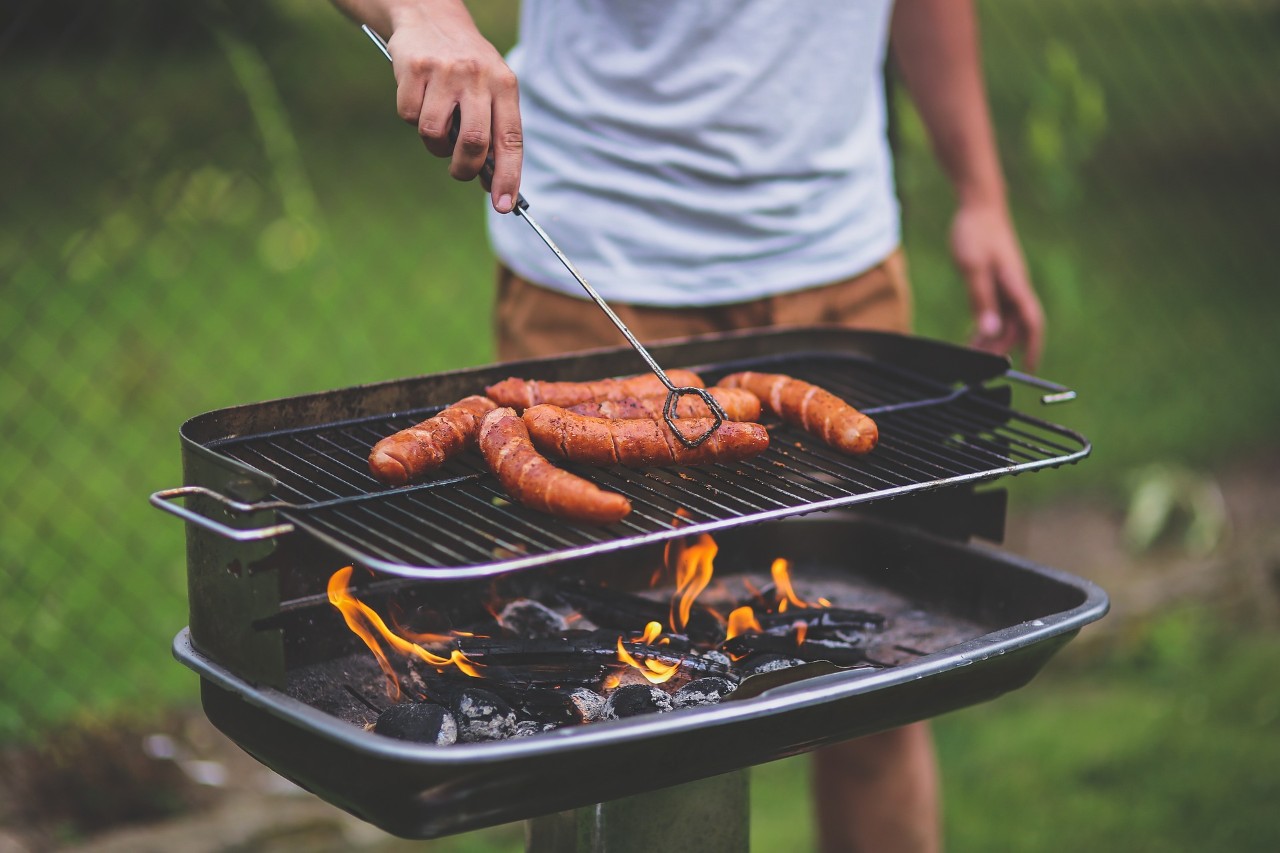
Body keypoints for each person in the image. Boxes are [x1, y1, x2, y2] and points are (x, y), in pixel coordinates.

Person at [333, 2, 1045, 850]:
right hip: (597, 263)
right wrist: (423, 15)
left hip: (840, 265)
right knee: (598, 710)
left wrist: (981, 193)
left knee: (876, 691)